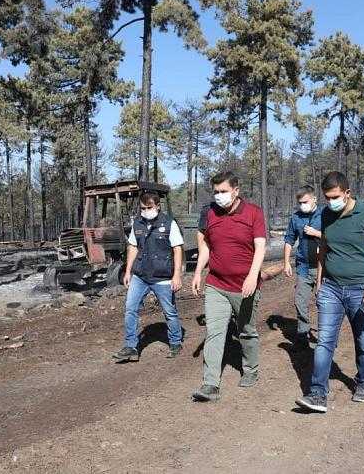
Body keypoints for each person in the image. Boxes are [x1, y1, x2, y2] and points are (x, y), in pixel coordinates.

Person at [295, 171, 364, 413]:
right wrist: (321, 280)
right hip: (331, 289)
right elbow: (323, 247)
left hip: (361, 289)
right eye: (327, 197)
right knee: (324, 341)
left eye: (335, 196)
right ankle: (317, 394)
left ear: (347, 193)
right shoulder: (326, 214)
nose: (330, 201)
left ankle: (363, 382)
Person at [191, 171, 267, 402]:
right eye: (216, 192)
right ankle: (210, 384)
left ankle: (251, 370)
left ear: (236, 190)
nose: (219, 196)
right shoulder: (210, 213)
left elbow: (261, 246)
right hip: (216, 284)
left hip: (244, 286)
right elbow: (206, 247)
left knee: (246, 331)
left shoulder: (253, 213)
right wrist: (197, 272)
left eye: (223, 191)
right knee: (214, 333)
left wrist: (253, 276)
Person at [112, 191, 185, 362]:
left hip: (163, 276)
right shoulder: (138, 223)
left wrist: (177, 275)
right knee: (130, 308)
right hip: (140, 275)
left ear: (158, 206)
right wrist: (128, 271)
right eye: (143, 208)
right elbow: (132, 247)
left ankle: (175, 342)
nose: (146, 211)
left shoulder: (169, 223)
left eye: (149, 207)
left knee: (169, 311)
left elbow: (177, 249)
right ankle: (131, 346)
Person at [283, 185, 323, 351]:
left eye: (305, 202)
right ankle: (302, 333)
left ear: (314, 199)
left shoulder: (326, 214)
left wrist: (317, 233)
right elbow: (289, 239)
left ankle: (326, 337)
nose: (302, 205)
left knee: (324, 303)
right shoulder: (296, 218)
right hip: (303, 267)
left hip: (324, 267)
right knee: (300, 302)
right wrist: (286, 262)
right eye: (300, 203)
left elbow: (336, 237)